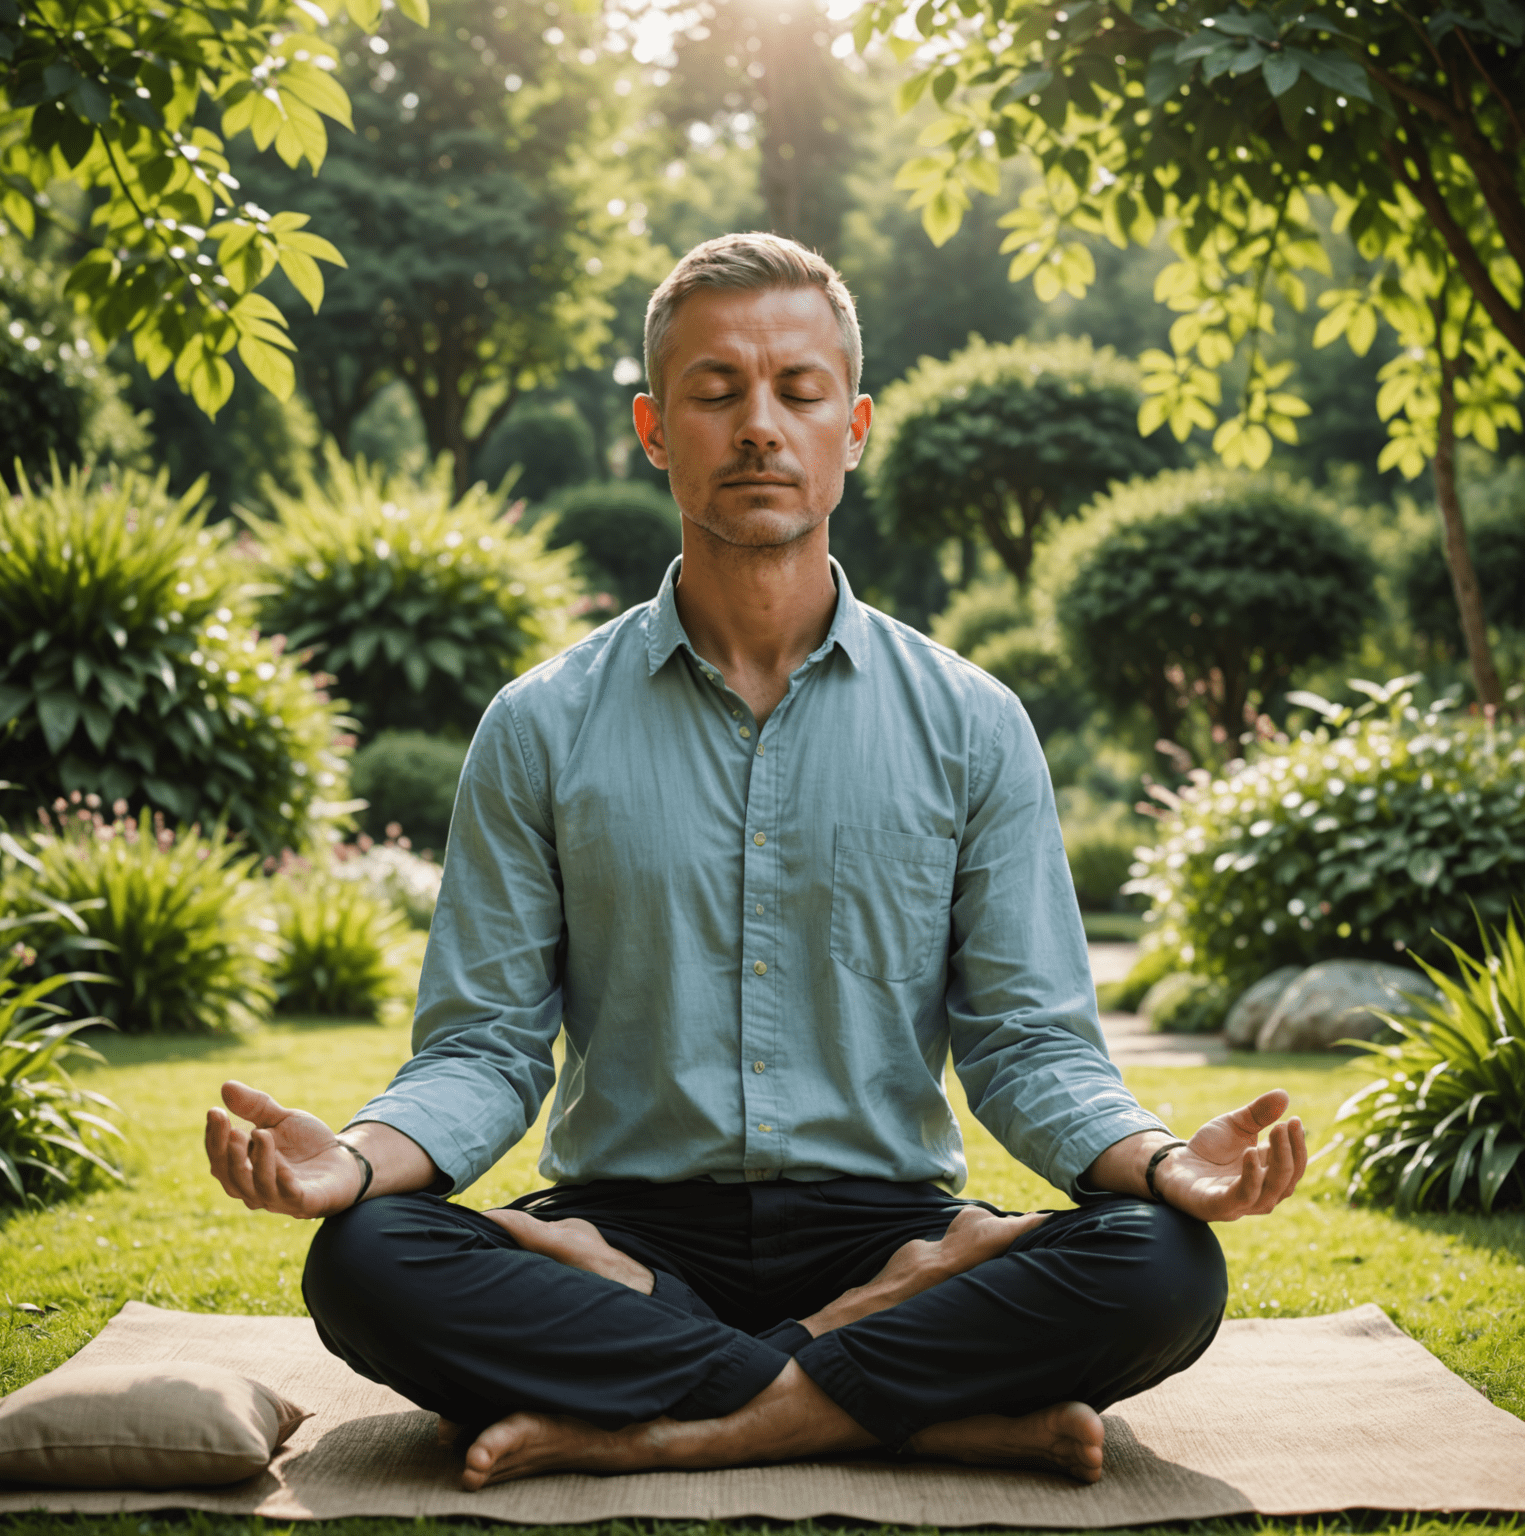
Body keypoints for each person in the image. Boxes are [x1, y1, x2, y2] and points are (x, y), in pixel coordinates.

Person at [205, 233, 1306, 1492]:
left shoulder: (972, 722)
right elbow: (485, 1049)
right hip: (623, 1228)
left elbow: (1025, 1042)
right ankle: (908, 1407)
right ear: (655, 429)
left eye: (798, 390)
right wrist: (350, 1163)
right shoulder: (541, 723)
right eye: (716, 391)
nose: (759, 427)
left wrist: (1165, 1165)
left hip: (886, 1228)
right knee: (367, 1262)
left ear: (856, 425)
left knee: (1162, 1266)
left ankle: (682, 1423)